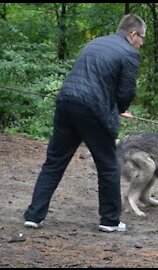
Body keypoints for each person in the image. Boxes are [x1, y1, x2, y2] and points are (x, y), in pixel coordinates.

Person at [23, 14, 146, 233]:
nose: (142, 44)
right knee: (109, 164)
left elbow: (91, 77)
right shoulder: (129, 53)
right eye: (142, 38)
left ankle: (34, 216)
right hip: (92, 109)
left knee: (54, 163)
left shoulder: (95, 42)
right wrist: (119, 108)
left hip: (66, 102)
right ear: (133, 34)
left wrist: (114, 106)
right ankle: (109, 221)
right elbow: (127, 91)